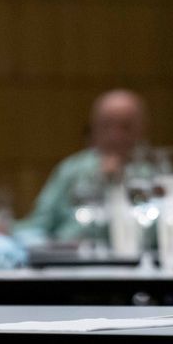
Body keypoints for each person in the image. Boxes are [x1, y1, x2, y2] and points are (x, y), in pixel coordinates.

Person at [13, 89, 147, 250]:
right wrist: (5, 229)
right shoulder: (72, 168)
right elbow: (39, 223)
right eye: (107, 126)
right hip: (69, 257)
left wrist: (116, 183)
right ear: (94, 129)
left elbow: (156, 233)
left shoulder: (154, 173)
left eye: (125, 126)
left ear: (141, 129)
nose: (115, 136)